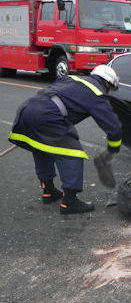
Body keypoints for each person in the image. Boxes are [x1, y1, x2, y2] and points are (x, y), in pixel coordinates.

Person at [8, 65, 122, 214]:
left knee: (42, 148)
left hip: (28, 109)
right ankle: (69, 202)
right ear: (107, 83)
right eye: (110, 89)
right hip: (47, 117)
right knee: (73, 153)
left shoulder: (72, 79)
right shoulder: (96, 93)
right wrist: (112, 150)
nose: (108, 92)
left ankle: (48, 192)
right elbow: (114, 128)